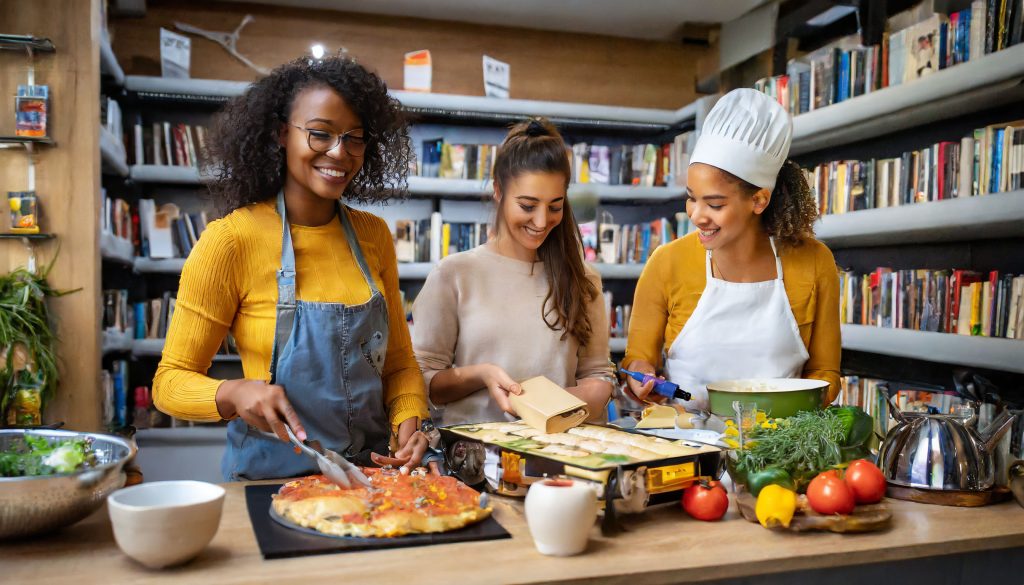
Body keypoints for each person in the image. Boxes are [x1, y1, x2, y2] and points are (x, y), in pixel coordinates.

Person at [153, 54, 431, 481]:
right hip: (272, 482)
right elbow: (169, 383)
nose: (339, 152)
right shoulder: (231, 241)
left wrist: (409, 422)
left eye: (355, 138)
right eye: (320, 134)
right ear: (282, 133)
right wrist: (233, 393)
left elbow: (398, 365)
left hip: (370, 480)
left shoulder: (373, 236)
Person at [623, 88, 841, 410]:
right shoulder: (667, 262)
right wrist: (643, 377)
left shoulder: (814, 262)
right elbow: (639, 359)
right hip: (688, 433)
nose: (696, 215)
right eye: (692, 198)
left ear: (759, 200)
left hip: (780, 436)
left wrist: (787, 415)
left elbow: (826, 373)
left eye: (714, 204)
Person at [412, 118, 615, 425]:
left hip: (560, 448)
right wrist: (482, 374)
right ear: (498, 191)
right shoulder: (454, 274)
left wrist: (553, 406)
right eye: (528, 206)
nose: (542, 221)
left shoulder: (583, 279)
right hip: (477, 449)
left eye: (555, 206)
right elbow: (423, 381)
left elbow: (598, 373)